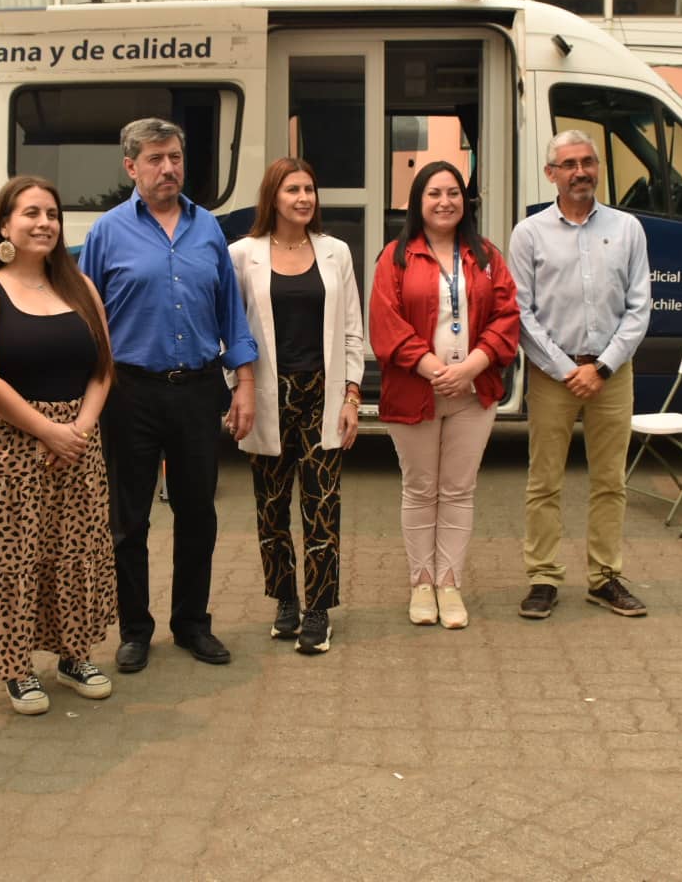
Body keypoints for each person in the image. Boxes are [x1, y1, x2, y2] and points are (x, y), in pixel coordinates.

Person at [78, 117, 258, 674]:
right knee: (129, 520)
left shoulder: (209, 230)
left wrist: (243, 382)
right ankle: (135, 629)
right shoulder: (107, 233)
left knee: (197, 513)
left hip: (199, 390)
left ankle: (192, 624)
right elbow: (87, 320)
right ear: (131, 167)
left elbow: (232, 312)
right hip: (130, 393)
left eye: (175, 157)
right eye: (155, 159)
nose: (168, 168)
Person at [0, 176, 119, 714]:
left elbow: (103, 368)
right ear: (5, 225)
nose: (44, 223)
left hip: (78, 448)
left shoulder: (81, 288)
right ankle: (15, 666)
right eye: (30, 213)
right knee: (12, 559)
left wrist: (82, 429)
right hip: (11, 448)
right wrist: (47, 430)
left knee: (75, 555)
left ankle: (74, 655)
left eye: (51, 213)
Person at [368, 161, 519, 630]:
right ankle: (420, 583)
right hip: (416, 389)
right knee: (419, 489)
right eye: (434, 193)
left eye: (453, 193)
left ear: (465, 200)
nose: (444, 202)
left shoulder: (487, 255)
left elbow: (507, 315)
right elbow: (385, 322)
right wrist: (436, 370)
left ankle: (449, 583)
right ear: (418, 201)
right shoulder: (394, 256)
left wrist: (472, 366)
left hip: (474, 392)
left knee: (458, 490)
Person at [508, 129, 652, 620]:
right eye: (568, 164)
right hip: (554, 374)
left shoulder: (628, 228)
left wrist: (604, 366)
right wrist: (570, 370)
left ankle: (604, 578)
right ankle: (543, 576)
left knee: (610, 480)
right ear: (551, 174)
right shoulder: (528, 234)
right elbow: (521, 313)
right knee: (544, 480)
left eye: (587, 162)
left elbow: (639, 307)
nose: (580, 172)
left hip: (613, 373)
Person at [228, 158, 364, 656]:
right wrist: (235, 389)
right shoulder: (242, 255)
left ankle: (319, 610)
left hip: (320, 395)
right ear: (273, 197)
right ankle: (285, 599)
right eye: (293, 190)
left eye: (309, 189)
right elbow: (232, 329)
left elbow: (352, 329)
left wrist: (352, 396)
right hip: (267, 395)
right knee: (271, 508)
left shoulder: (336, 252)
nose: (304, 198)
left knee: (322, 505)